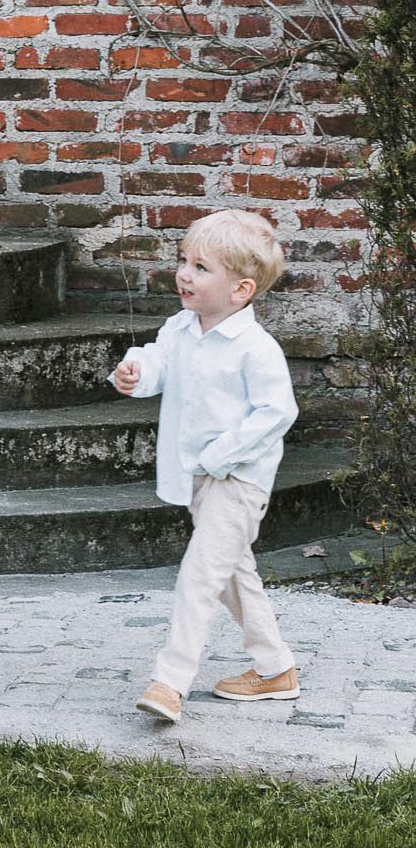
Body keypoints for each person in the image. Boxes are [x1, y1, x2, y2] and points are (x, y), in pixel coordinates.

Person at [110, 209, 299, 727]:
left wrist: (219, 457)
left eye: (200, 267)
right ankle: (275, 668)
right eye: (184, 261)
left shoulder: (256, 349)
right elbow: (157, 361)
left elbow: (277, 413)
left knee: (199, 576)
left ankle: (169, 682)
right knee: (233, 574)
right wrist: (135, 373)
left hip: (237, 480)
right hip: (196, 477)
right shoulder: (181, 328)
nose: (184, 275)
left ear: (241, 290)